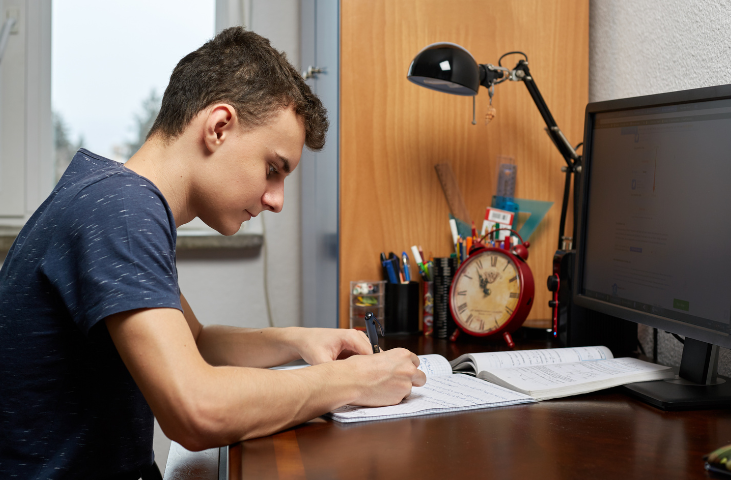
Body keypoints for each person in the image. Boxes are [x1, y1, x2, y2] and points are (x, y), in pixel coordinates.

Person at [0, 27, 426, 479]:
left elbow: (196, 341)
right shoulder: (123, 209)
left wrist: (299, 340)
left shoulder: (107, 193)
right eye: (272, 169)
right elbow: (195, 411)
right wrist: (352, 381)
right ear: (219, 127)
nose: (276, 199)